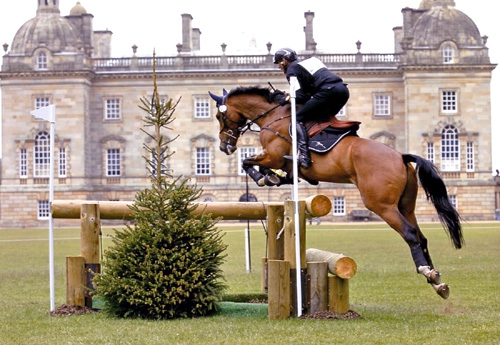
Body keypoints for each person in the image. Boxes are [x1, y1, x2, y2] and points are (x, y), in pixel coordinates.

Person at [274, 48, 350, 168]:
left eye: (278, 63)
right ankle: (323, 145)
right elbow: (306, 95)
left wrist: (285, 100)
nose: (279, 67)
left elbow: (300, 96)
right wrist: (288, 95)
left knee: (297, 118)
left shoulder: (291, 70)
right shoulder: (306, 63)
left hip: (327, 92)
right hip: (343, 91)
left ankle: (305, 157)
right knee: (321, 119)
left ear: (284, 60)